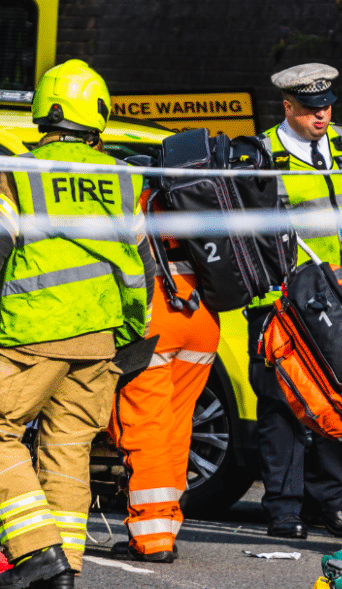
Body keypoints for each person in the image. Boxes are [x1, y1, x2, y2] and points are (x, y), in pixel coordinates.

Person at [0, 59, 154, 589]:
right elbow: (141, 269)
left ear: (43, 113)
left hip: (31, 336)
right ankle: (64, 570)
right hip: (100, 339)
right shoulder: (122, 180)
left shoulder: (23, 174)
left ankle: (35, 554)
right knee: (69, 449)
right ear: (98, 116)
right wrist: (131, 333)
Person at [248, 63, 342, 540]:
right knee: (282, 403)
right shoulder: (262, 155)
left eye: (327, 106)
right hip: (285, 300)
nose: (322, 115)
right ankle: (284, 509)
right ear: (287, 107)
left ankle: (329, 502)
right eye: (311, 108)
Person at [108, 230, 220, 562]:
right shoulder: (194, 199)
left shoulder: (135, 201)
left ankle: (152, 537)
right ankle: (166, 528)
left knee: (146, 428)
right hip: (202, 314)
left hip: (155, 311)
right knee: (176, 425)